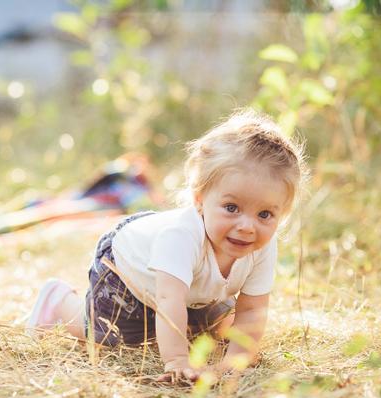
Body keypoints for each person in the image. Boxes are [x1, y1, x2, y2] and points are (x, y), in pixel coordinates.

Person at [26, 108, 307, 383]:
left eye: (265, 214)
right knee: (111, 337)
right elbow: (168, 300)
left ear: (280, 213)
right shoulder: (181, 237)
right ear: (199, 199)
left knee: (219, 330)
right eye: (231, 207)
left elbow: (251, 310)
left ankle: (195, 322)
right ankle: (60, 301)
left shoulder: (261, 245)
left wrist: (233, 364)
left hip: (191, 289)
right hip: (127, 271)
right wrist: (177, 361)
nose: (247, 226)